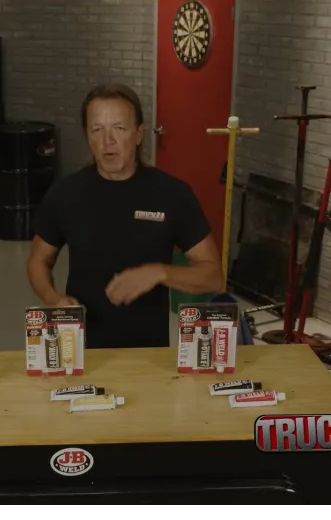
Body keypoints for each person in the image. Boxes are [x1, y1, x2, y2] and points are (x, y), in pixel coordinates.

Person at [27, 83, 224, 350]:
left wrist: (160, 272)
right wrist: (53, 299)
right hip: (81, 351)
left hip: (148, 353)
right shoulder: (65, 194)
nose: (108, 141)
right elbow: (38, 261)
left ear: (138, 134)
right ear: (87, 136)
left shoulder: (172, 194)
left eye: (119, 128)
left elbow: (213, 276)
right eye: (97, 130)